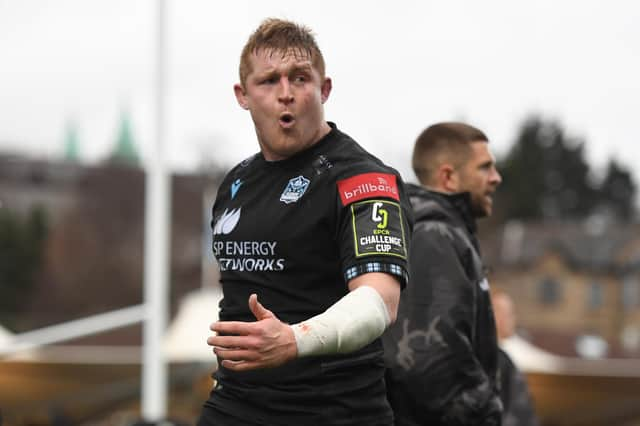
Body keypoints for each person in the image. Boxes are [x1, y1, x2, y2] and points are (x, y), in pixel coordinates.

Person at [198, 18, 413, 426]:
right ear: (243, 95)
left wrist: (294, 341)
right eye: (269, 81)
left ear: (324, 89)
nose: (286, 94)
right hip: (235, 406)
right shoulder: (235, 184)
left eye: (300, 79)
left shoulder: (363, 180)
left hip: (334, 411)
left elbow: (378, 302)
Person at [383, 122, 503, 425]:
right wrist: (486, 414)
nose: (496, 178)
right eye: (485, 168)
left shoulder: (448, 234)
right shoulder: (434, 236)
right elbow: (429, 359)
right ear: (448, 176)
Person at [492, 290, 540, 426]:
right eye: (509, 314)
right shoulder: (498, 361)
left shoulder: (499, 359)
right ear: (495, 316)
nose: (514, 319)